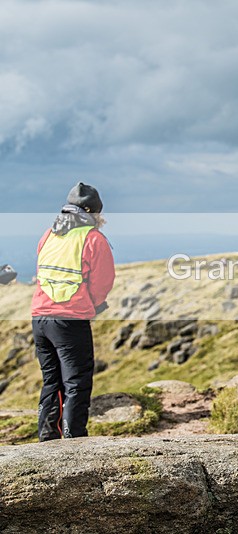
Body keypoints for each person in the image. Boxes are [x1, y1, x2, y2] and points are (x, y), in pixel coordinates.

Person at [31, 182, 115, 441]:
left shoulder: (49, 235)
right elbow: (103, 282)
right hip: (70, 320)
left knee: (51, 380)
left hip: (40, 319)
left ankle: (48, 437)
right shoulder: (93, 238)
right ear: (92, 213)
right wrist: (92, 305)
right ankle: (74, 439)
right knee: (76, 382)